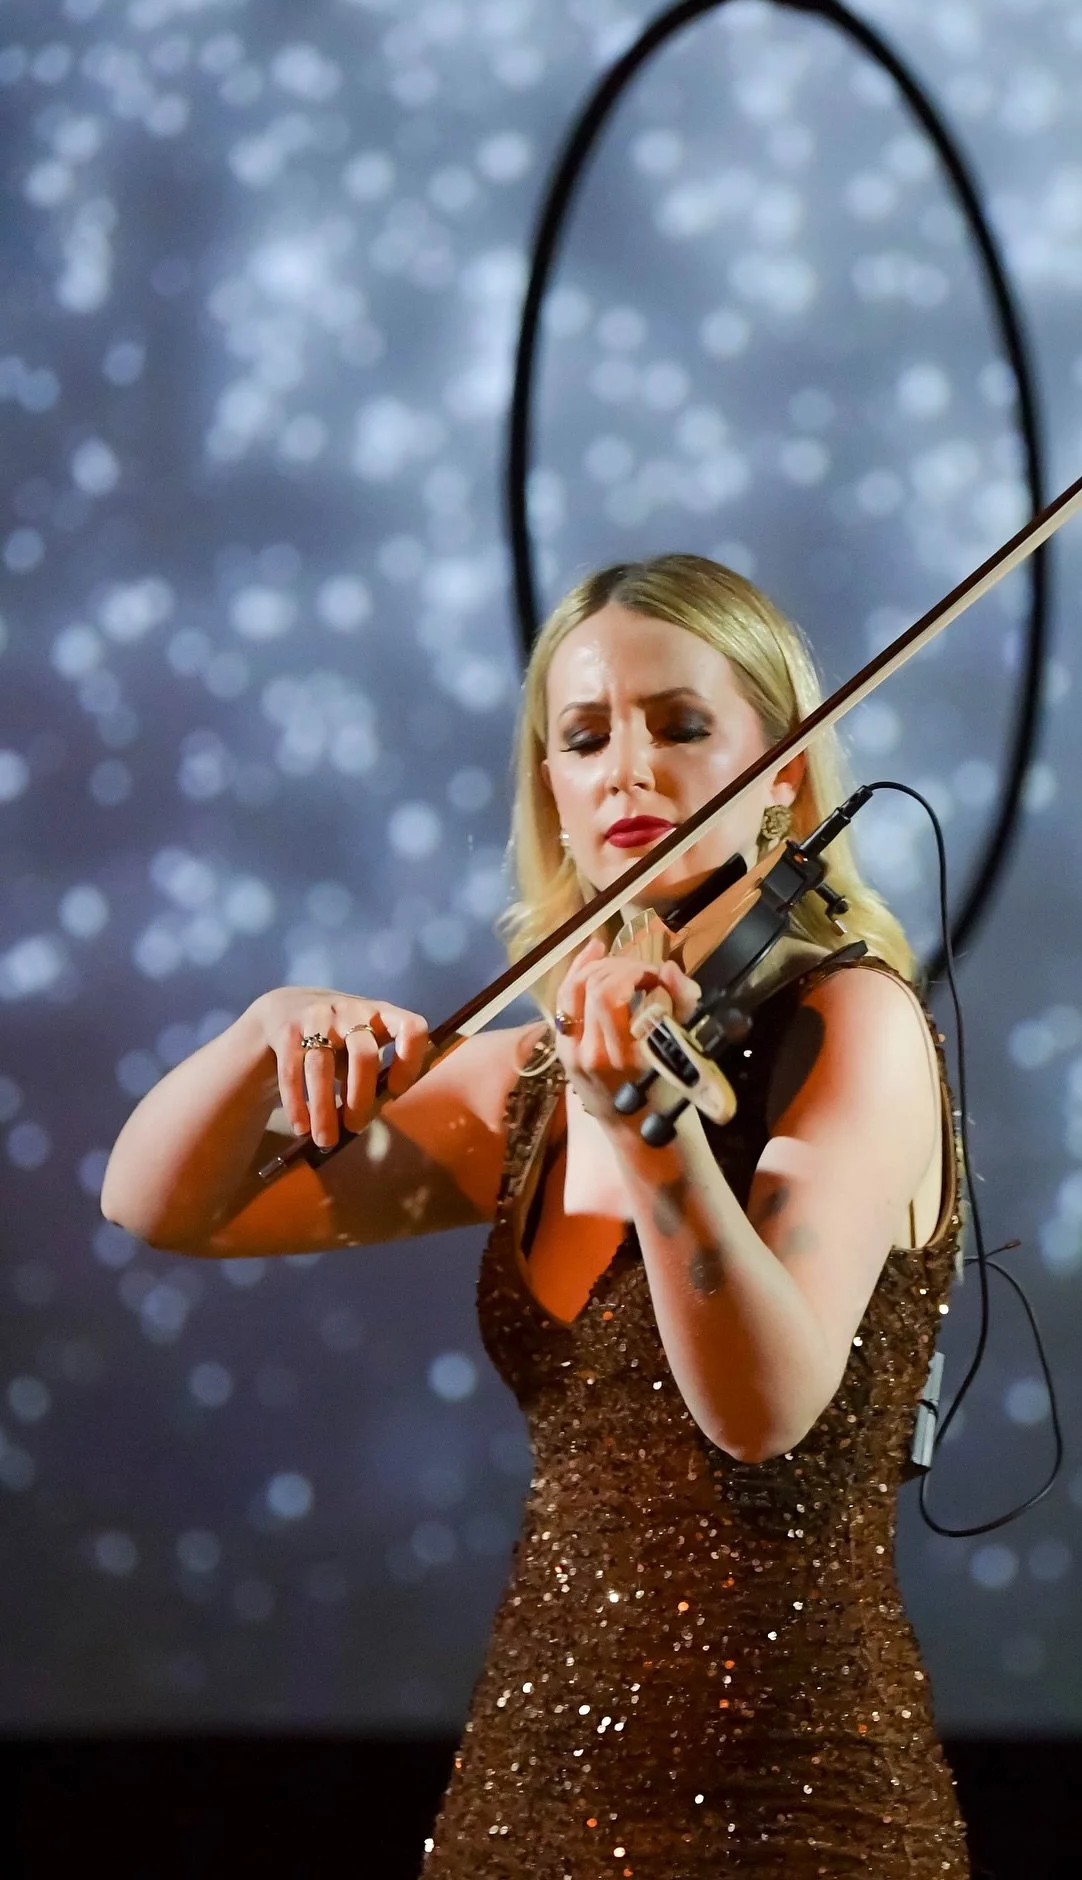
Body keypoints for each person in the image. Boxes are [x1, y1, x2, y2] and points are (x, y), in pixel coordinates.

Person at [102, 554, 970, 1876]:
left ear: (783, 772)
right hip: (529, 1797)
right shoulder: (536, 1079)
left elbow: (763, 1407)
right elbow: (163, 1201)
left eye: (682, 727)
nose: (629, 767)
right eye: (585, 737)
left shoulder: (854, 1029)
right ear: (552, 791)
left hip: (791, 1808)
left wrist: (656, 1135)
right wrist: (261, 1038)